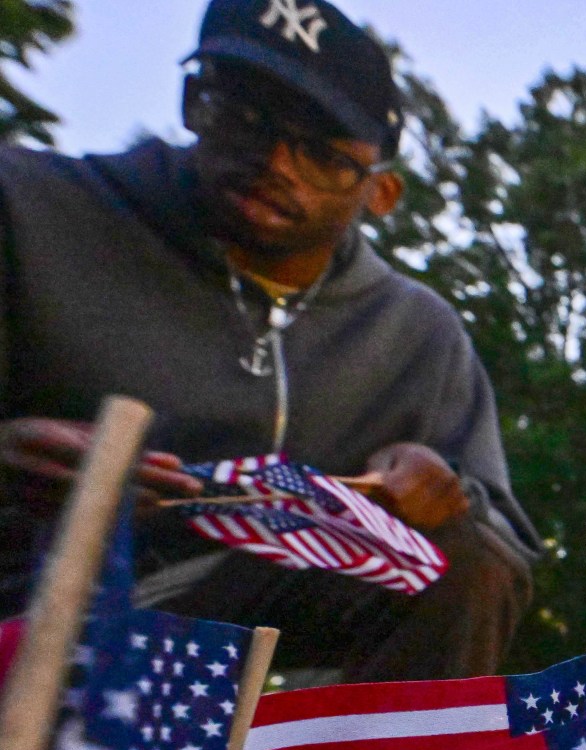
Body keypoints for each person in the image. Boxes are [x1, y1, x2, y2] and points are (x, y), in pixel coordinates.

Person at [0, 0, 536, 682]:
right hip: (35, 604)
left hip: (232, 619)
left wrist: (444, 489)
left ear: (381, 193)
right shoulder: (26, 203)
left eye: (321, 152)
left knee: (456, 553)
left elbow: (503, 551)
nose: (275, 162)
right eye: (246, 118)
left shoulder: (418, 336)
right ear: (194, 99)